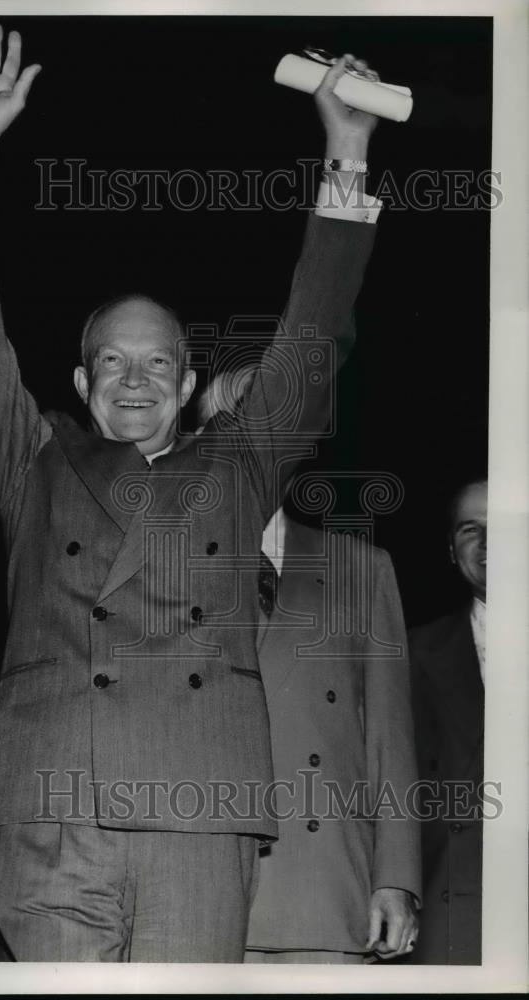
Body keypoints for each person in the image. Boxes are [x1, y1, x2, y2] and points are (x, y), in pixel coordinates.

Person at [0, 23, 384, 962]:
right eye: (111, 364)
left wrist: (349, 145)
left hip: (198, 808)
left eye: (158, 364)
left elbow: (313, 335)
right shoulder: (35, 462)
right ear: (83, 387)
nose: (134, 381)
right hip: (52, 811)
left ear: (185, 387)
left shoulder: (240, 464)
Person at [197, 372, 421, 963]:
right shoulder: (160, 569)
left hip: (324, 889)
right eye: (232, 433)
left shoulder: (361, 568)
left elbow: (389, 740)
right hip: (195, 887)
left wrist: (395, 877)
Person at [409, 475, 487, 964]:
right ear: (450, 549)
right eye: (469, 529)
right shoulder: (410, 653)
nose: (488, 545)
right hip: (456, 917)